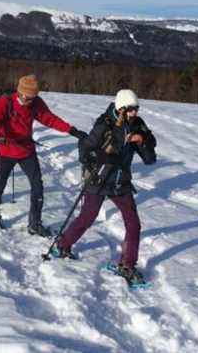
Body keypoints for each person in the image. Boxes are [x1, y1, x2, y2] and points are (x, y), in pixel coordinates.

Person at [51, 89, 157, 286]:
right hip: (99, 179)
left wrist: (142, 141)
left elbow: (150, 159)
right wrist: (100, 157)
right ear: (121, 108)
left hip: (120, 181)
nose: (135, 113)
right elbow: (85, 150)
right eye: (131, 109)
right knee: (87, 217)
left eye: (136, 109)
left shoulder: (137, 125)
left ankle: (127, 265)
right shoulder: (104, 124)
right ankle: (63, 244)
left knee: (133, 223)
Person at [0, 74, 87, 236]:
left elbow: (49, 119)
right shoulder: (6, 102)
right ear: (20, 92)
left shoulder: (36, 103)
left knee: (37, 186)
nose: (31, 100)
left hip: (26, 151)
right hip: (6, 150)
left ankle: (35, 223)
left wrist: (72, 130)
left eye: (34, 97)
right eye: (28, 97)